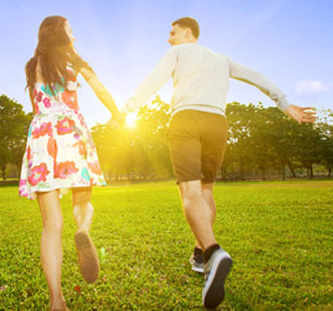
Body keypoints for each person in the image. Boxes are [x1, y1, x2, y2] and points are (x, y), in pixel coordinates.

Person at [121, 17, 317, 309]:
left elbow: (155, 78)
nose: (169, 39)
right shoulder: (222, 59)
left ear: (187, 32)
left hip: (186, 118)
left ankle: (212, 251)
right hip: (218, 122)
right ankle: (200, 255)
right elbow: (256, 77)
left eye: (172, 33)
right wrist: (285, 104)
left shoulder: (177, 52)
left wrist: (128, 108)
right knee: (206, 192)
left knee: (189, 193)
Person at [19, 15, 122, 311]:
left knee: (51, 225)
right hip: (70, 132)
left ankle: (56, 300)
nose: (74, 37)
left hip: (42, 137)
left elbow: (37, 105)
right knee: (82, 202)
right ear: (61, 34)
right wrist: (118, 114)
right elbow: (100, 89)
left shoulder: (33, 65)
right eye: (71, 31)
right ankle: (84, 229)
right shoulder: (75, 61)